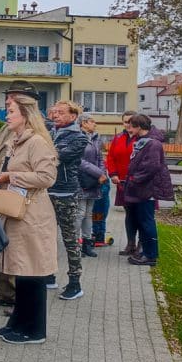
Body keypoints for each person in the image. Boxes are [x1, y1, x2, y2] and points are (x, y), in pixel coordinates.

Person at [0, 94, 59, 344]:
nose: (7, 115)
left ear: (25, 114)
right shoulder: (17, 141)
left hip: (32, 214)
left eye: (11, 111)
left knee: (33, 272)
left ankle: (34, 329)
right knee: (21, 271)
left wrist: (11, 176)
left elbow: (46, 177)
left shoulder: (37, 142)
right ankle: (18, 322)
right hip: (17, 212)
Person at [0, 80, 37, 308]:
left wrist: (5, 180)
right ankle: (4, 291)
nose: (7, 101)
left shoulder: (34, 131)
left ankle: (16, 298)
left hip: (16, 197)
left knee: (15, 249)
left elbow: (37, 172)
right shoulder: (7, 127)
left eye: (12, 98)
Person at [48, 100, 89, 301]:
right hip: (47, 191)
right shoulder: (51, 133)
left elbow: (58, 157)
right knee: (46, 236)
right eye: (54, 112)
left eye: (61, 112)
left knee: (70, 238)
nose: (55, 115)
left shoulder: (79, 138)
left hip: (66, 193)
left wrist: (44, 153)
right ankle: (48, 275)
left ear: (73, 116)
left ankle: (75, 282)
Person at [124, 114, 174, 266]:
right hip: (140, 189)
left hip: (147, 189)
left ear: (139, 127)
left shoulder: (153, 144)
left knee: (147, 222)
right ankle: (145, 252)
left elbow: (152, 167)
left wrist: (134, 179)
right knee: (142, 221)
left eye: (131, 126)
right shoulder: (141, 142)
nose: (128, 128)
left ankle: (150, 255)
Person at [106, 110, 141, 256]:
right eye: (125, 122)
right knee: (129, 214)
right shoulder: (119, 138)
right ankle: (130, 243)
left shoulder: (141, 138)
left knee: (141, 214)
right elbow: (111, 157)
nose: (127, 125)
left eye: (130, 122)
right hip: (122, 182)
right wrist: (112, 174)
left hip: (139, 183)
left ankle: (142, 244)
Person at [77, 115, 107, 259]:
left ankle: (87, 244)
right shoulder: (78, 137)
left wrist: (101, 173)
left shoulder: (96, 138)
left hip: (94, 181)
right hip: (82, 180)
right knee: (80, 213)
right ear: (84, 123)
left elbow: (101, 158)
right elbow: (79, 161)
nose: (95, 124)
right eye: (92, 121)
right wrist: (98, 173)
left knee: (89, 213)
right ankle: (75, 244)